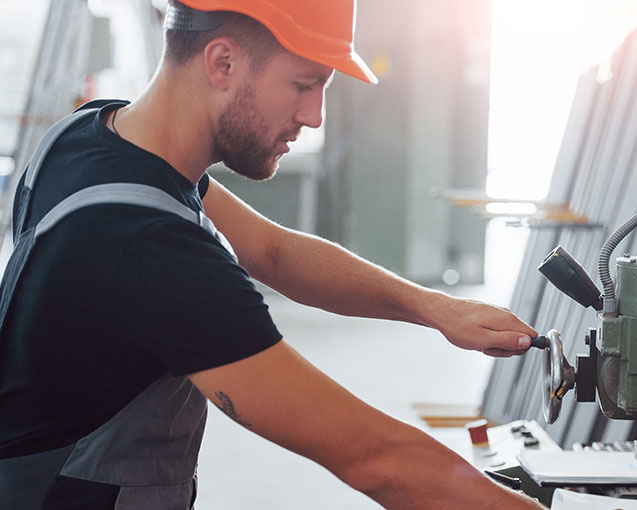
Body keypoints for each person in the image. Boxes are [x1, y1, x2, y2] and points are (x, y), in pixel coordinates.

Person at [0, 1, 545, 508]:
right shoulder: (146, 248)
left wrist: (436, 308)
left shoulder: (93, 136)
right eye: (304, 84)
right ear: (222, 63)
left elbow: (273, 250)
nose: (315, 116)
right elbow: (375, 457)